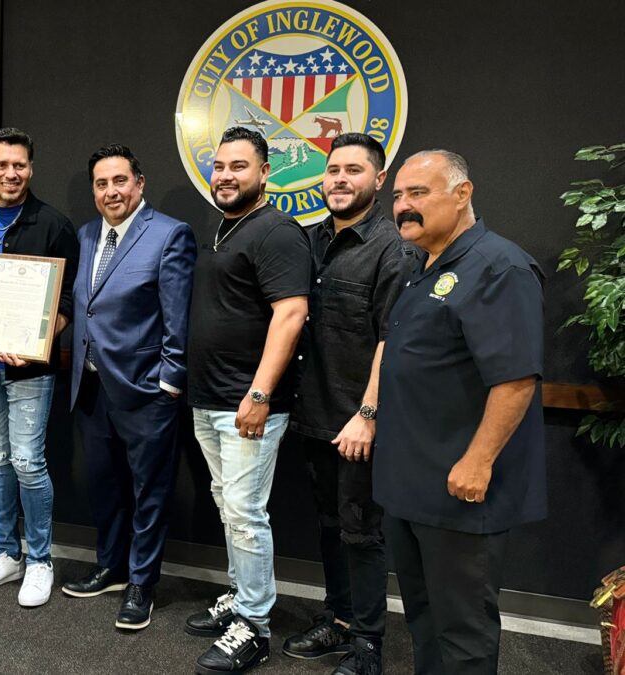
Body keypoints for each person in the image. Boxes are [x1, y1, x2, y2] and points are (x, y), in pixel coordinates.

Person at [376, 150, 546, 674]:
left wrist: (478, 460)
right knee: (424, 618)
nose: (403, 206)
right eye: (399, 195)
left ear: (463, 194)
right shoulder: (419, 265)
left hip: (459, 489)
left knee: (463, 633)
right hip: (411, 486)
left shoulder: (499, 266)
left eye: (418, 194)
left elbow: (515, 379)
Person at [184, 126, 310, 675]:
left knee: (245, 515)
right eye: (219, 166)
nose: (226, 176)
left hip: (248, 404)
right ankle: (240, 601)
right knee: (228, 507)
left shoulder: (277, 232)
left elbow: (291, 314)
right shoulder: (224, 229)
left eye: (239, 166)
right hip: (209, 399)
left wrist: (259, 393)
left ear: (265, 172)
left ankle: (254, 627)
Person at [282, 133, 409, 675]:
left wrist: (369, 414)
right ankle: (336, 620)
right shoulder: (308, 241)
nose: (339, 179)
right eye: (333, 169)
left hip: (358, 421)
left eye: (353, 170)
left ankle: (368, 645)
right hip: (313, 414)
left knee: (361, 533)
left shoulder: (392, 248)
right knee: (331, 525)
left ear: (378, 180)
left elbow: (392, 339)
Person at [61, 144, 196, 631]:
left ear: (139, 184)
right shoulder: (85, 235)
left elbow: (177, 319)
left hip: (146, 393)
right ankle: (112, 567)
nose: (110, 191)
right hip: (92, 389)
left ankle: (142, 582)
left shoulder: (169, 235)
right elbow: (86, 310)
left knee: (150, 492)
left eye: (120, 181)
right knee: (105, 486)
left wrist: (169, 383)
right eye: (101, 183)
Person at [0, 127, 79, 607]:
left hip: (29, 368)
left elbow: (67, 301)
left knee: (28, 461)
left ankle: (41, 560)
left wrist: (37, 340)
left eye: (20, 165)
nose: (11, 173)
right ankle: (6, 553)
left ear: (31, 168)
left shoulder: (54, 224)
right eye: (2, 165)